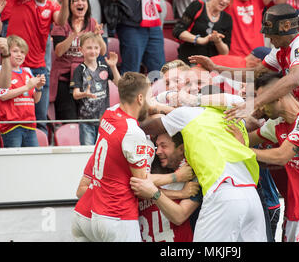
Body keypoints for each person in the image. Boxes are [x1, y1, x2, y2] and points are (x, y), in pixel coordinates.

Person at [189, 4, 299, 224]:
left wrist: (255, 103)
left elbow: (294, 79)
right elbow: (255, 73)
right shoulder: (280, 51)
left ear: (287, 26)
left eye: (270, 32)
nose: (267, 38)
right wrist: (216, 68)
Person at [228, 71, 299, 242]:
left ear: (278, 97)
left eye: (262, 100)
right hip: (294, 210)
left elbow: (282, 156)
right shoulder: (277, 124)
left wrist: (241, 150)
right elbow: (245, 141)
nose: (259, 107)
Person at [140, 95, 267, 242]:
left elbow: (145, 127)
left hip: (223, 192)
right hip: (252, 196)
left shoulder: (187, 115)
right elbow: (242, 106)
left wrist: (156, 106)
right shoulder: (236, 118)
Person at [6, 0, 70, 135]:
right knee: (16, 119)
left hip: (40, 69)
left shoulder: (52, 4)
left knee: (40, 119)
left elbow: (62, 21)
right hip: (17, 68)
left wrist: (64, 1)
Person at [90, 71, 152, 242]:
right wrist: (175, 177)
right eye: (149, 97)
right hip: (119, 217)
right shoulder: (133, 132)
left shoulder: (109, 113)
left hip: (98, 214)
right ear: (140, 98)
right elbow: (142, 186)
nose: (151, 102)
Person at [131, 132, 202, 242]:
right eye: (157, 146)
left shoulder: (193, 176)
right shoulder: (153, 168)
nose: (158, 151)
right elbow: (138, 183)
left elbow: (179, 217)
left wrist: (153, 192)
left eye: (163, 146)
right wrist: (178, 187)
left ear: (181, 149)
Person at [51, 0, 106, 121]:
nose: (80, 3)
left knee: (87, 120)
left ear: (87, 4)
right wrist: (73, 35)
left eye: (83, 0)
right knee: (70, 119)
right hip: (64, 78)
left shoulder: (92, 23)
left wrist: (98, 36)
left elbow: (102, 52)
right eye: (76, 0)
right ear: (69, 5)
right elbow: (58, 51)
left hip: (87, 77)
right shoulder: (62, 22)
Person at [0, 36, 46, 147]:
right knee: (14, 162)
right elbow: (3, 95)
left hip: (30, 124)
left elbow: (36, 100)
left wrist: (38, 87)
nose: (19, 55)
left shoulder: (27, 72)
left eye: (22, 52)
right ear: (7, 52)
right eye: (15, 51)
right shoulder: (1, 70)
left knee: (33, 160)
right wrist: (27, 87)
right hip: (12, 126)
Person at [71, 32, 120, 146]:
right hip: (86, 121)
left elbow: (119, 83)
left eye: (96, 48)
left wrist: (113, 66)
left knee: (103, 150)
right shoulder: (79, 70)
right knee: (88, 153)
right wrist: (85, 94)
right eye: (88, 48)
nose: (93, 51)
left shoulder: (104, 66)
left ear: (100, 49)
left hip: (104, 120)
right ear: (81, 49)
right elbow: (75, 94)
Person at [172, 0, 233, 65]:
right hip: (189, 62)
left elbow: (225, 52)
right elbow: (177, 31)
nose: (225, 1)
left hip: (211, 66)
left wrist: (218, 41)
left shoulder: (227, 19)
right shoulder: (197, 6)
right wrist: (200, 40)